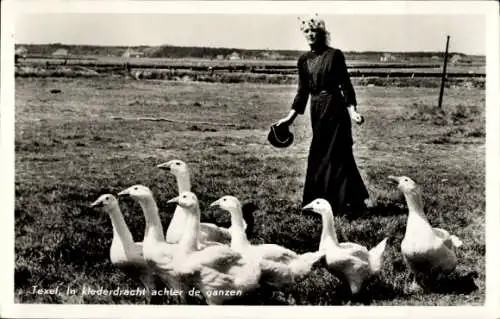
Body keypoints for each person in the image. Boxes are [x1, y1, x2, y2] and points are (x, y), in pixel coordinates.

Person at [275, 14, 369, 217]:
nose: (310, 35)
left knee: (338, 154)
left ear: (322, 34)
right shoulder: (303, 60)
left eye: (314, 31)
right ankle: (321, 203)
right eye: (306, 31)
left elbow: (345, 84)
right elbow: (302, 93)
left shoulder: (335, 55)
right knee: (318, 154)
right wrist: (289, 118)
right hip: (316, 111)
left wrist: (353, 111)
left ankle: (345, 205)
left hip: (336, 109)